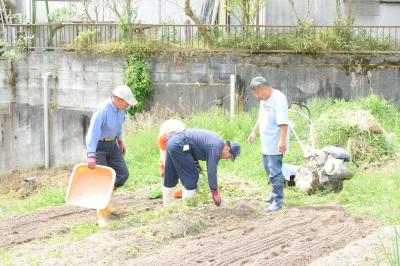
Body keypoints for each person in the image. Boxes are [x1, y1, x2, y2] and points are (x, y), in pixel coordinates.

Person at [86, 85, 137, 226]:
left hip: (112, 144)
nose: (128, 105)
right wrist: (91, 154)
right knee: (103, 180)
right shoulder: (102, 110)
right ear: (118, 99)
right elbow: (93, 132)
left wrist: (120, 140)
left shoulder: (121, 110)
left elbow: (118, 125)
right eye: (126, 102)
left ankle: (104, 202)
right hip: (99, 146)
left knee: (122, 174)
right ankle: (101, 214)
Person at [162, 128, 241, 207]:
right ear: (227, 149)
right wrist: (214, 192)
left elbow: (194, 145)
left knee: (171, 175)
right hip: (179, 145)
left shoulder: (216, 141)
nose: (227, 158)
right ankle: (187, 207)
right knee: (192, 177)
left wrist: (195, 163)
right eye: (229, 156)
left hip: (173, 142)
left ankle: (167, 206)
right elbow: (211, 170)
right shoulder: (216, 147)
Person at [247, 77, 289, 212]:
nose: (257, 97)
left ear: (265, 88)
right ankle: (273, 193)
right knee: (268, 169)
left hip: (276, 143)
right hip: (266, 142)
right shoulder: (264, 99)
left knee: (275, 171)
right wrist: (254, 132)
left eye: (258, 93)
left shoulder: (279, 98)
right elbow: (261, 116)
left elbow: (283, 122)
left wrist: (282, 141)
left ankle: (278, 201)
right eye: (255, 94)